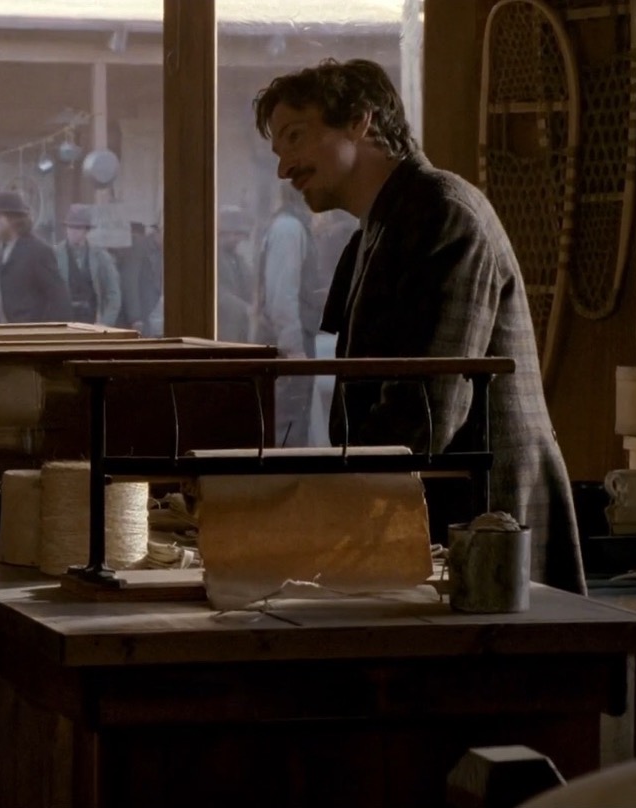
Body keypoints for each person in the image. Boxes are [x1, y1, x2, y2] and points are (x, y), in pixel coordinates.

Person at [252, 58, 585, 594]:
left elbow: (428, 411)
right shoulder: (379, 229)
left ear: (359, 120)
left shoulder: (443, 213)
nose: (284, 168)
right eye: (278, 152)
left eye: (296, 137)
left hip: (484, 516)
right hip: (438, 511)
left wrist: (317, 500)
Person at [256, 182, 316, 446]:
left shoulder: (288, 226)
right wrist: (293, 348)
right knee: (287, 425)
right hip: (289, 343)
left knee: (292, 421)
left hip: (292, 339)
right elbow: (282, 296)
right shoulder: (289, 229)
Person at [0, 190, 71, 323]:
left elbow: (59, 300)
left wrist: (43, 333)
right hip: (3, 334)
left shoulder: (38, 252)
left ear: (12, 219)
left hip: (31, 333)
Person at [53, 203, 122, 325]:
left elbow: (113, 295)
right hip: (63, 320)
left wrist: (104, 325)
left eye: (78, 228)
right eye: (70, 227)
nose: (73, 232)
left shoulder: (101, 257)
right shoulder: (54, 255)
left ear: (86, 230)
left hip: (92, 319)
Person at [216, 205, 256, 343]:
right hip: (221, 329)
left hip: (239, 329)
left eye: (238, 234)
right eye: (231, 234)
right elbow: (218, 292)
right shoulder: (213, 260)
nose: (236, 239)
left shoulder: (239, 260)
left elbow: (249, 285)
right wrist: (245, 308)